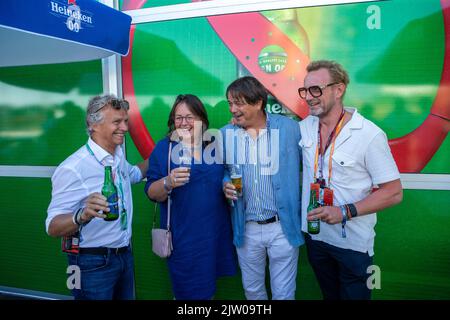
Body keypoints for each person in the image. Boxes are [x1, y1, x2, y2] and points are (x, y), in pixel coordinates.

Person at [298, 60, 403, 300]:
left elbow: (394, 192)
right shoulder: (304, 128)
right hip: (316, 237)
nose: (309, 97)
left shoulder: (369, 134)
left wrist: (344, 211)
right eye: (305, 90)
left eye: (316, 89)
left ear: (339, 89)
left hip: (353, 244)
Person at [46, 94, 148, 300]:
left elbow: (135, 174)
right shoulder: (73, 168)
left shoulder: (116, 155)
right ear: (93, 125)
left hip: (123, 255)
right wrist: (82, 215)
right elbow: (52, 227)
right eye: (117, 122)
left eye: (125, 121)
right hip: (89, 264)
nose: (125, 128)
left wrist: (167, 147)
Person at [145, 94, 237, 300]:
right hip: (185, 239)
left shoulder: (213, 145)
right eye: (179, 118)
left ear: (202, 120)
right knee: (189, 292)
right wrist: (167, 182)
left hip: (215, 234)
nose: (184, 123)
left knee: (208, 291)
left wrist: (226, 185)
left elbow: (224, 174)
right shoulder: (164, 148)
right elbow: (151, 191)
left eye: (190, 117)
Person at [222, 76, 303, 300]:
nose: (233, 109)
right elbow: (223, 171)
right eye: (230, 103)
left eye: (238, 103)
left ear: (258, 102)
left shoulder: (290, 128)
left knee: (284, 294)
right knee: (253, 291)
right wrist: (225, 184)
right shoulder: (225, 134)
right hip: (245, 227)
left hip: (282, 227)